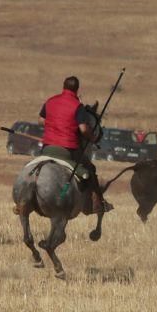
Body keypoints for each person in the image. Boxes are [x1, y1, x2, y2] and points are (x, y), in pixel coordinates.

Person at [38, 75, 112, 214]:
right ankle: (97, 203)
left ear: (63, 86)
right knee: (90, 169)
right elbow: (83, 129)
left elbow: (40, 120)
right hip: (68, 150)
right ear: (77, 90)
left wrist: (54, 126)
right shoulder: (77, 106)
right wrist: (93, 138)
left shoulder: (50, 101)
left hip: (47, 148)